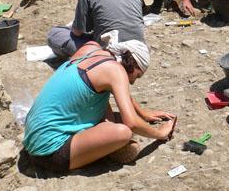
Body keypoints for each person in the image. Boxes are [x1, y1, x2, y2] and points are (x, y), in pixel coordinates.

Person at [24, 36, 176, 172]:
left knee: (123, 120)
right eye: (136, 76)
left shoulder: (91, 49)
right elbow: (132, 123)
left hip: (34, 135)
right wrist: (160, 134)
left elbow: (113, 91)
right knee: (124, 132)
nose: (132, 82)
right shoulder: (115, 71)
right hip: (49, 151)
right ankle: (109, 150)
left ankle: (107, 145)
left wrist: (142, 113)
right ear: (131, 64)